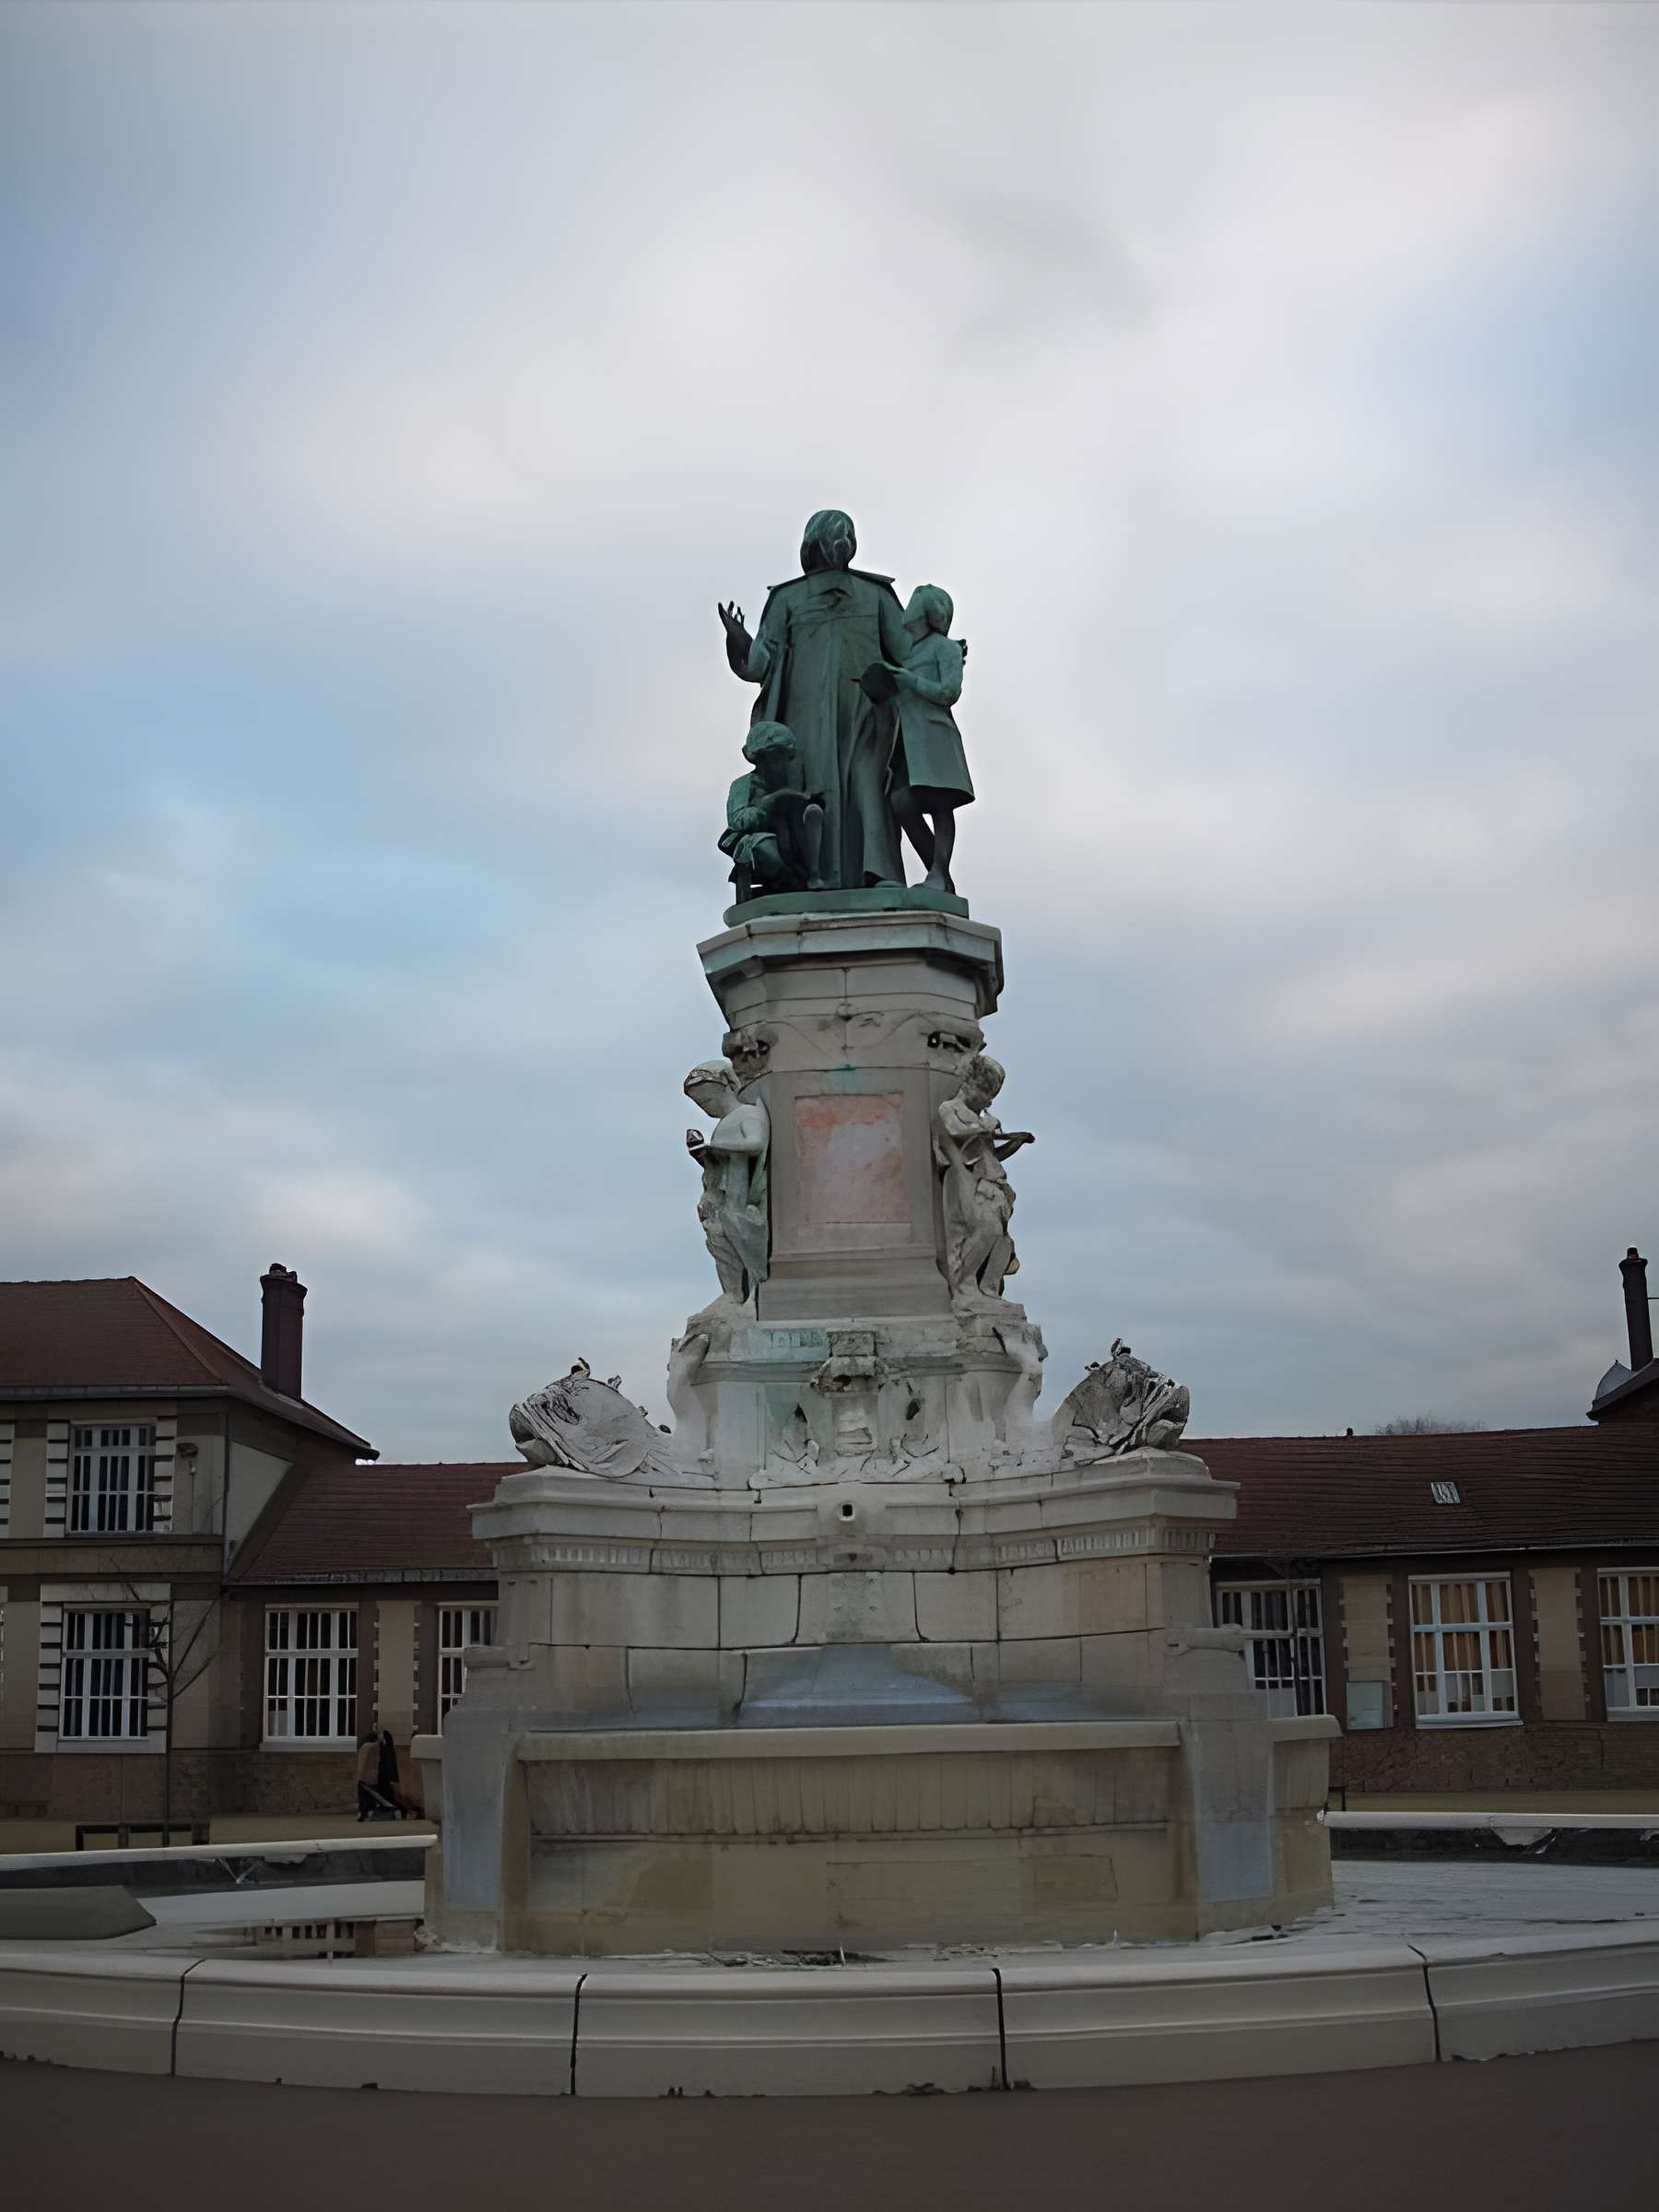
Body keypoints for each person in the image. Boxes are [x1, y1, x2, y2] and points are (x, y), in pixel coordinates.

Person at [718, 510, 914, 890]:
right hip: (808, 720)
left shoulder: (870, 595)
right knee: (820, 791)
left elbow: (908, 654)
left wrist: (738, 638)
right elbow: (760, 664)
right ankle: (813, 877)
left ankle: (874, 875)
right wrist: (737, 639)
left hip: (858, 713)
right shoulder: (793, 598)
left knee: (866, 785)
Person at [878, 584, 973, 893]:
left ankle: (939, 873)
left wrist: (909, 680)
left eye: (915, 599)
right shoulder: (908, 653)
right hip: (908, 741)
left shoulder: (945, 648)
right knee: (901, 802)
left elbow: (949, 692)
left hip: (936, 736)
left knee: (940, 804)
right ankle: (939, 873)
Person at [718, 721, 825, 900]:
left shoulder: (793, 780)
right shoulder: (743, 784)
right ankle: (791, 882)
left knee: (812, 814)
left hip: (793, 836)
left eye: (784, 756)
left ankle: (813, 873)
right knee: (767, 851)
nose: (781, 763)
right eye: (775, 757)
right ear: (760, 758)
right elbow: (737, 819)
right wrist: (768, 805)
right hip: (757, 839)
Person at [377, 1729, 421, 1818]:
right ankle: (408, 1810)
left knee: (398, 1795)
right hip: (392, 1776)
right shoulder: (387, 1749)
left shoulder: (387, 1749)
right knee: (397, 1795)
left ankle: (410, 1810)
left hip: (391, 1776)